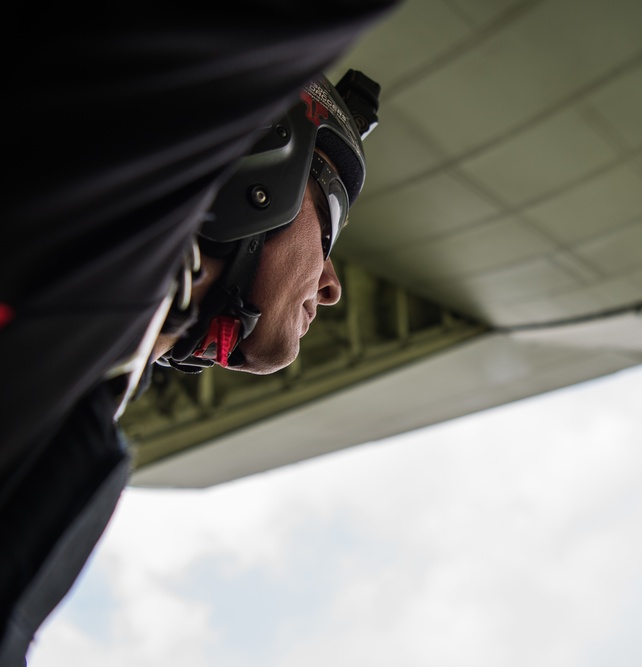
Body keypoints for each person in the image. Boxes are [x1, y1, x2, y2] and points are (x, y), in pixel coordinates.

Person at [0, 8, 399, 665]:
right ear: (267, 154)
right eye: (329, 227)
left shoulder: (90, 386)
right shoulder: (81, 216)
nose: (331, 287)